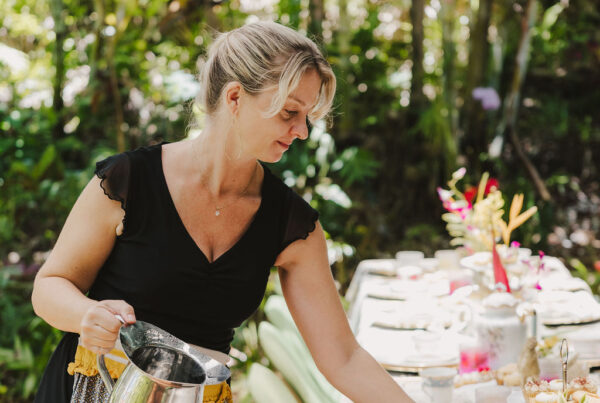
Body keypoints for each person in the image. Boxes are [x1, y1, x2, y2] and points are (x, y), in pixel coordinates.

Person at [32, 21, 414, 402]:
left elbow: (343, 358)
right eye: (289, 113)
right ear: (234, 98)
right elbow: (50, 286)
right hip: (91, 388)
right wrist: (86, 314)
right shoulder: (128, 182)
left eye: (307, 116)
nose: (302, 131)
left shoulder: (292, 226)